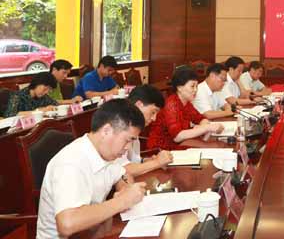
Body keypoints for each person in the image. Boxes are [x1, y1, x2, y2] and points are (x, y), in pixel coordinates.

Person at [37, 100, 147, 238]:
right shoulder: (71, 162)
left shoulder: (107, 152)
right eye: (128, 140)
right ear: (106, 131)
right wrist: (122, 201)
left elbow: (123, 174)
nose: (128, 147)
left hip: (92, 233)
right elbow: (67, 224)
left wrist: (125, 188)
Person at [148, 67, 223, 150]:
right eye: (192, 86)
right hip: (161, 149)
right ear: (179, 88)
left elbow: (201, 118)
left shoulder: (186, 103)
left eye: (196, 86)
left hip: (182, 143)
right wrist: (205, 128)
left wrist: (202, 126)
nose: (195, 90)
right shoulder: (171, 105)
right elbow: (177, 136)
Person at [118, 85, 174, 177]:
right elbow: (123, 170)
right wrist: (157, 162)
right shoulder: (119, 127)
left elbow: (134, 161)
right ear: (138, 105)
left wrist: (147, 161)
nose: (154, 118)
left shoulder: (134, 127)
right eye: (153, 112)